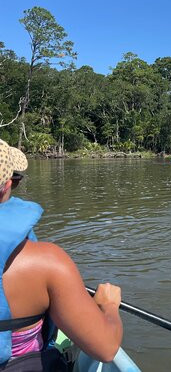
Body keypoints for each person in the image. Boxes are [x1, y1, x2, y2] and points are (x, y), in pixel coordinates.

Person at [0, 139, 123, 368]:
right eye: (16, 180)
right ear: (7, 184)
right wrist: (109, 307)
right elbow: (106, 349)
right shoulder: (48, 264)